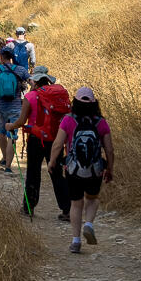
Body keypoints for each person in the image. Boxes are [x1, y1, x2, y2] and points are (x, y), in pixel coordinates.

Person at [49, 86, 114, 254]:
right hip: (95, 170)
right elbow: (109, 150)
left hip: (73, 170)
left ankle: (76, 241)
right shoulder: (101, 122)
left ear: (75, 102)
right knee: (92, 199)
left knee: (76, 204)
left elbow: (58, 144)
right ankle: (89, 224)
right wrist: (110, 169)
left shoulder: (68, 120)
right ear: (94, 103)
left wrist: (52, 161)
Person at [21, 68, 71, 220]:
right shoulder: (56, 97)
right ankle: (66, 209)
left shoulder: (30, 96)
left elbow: (22, 121)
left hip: (36, 139)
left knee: (33, 174)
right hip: (55, 139)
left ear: (35, 82)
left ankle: (29, 208)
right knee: (56, 173)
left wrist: (10, 127)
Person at [0, 44, 28, 173]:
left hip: (0, 106)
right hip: (16, 107)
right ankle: (8, 167)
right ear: (12, 57)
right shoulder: (20, 70)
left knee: (1, 133)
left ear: (1, 57)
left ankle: (3, 157)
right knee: (12, 136)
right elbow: (33, 83)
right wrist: (27, 99)